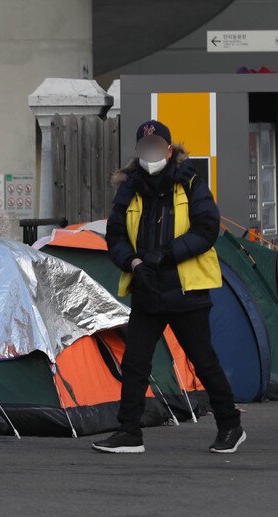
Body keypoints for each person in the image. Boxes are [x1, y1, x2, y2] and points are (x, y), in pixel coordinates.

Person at [95, 119, 244, 455]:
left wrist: (165, 255)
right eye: (145, 147)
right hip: (147, 287)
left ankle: (230, 425)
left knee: (203, 361)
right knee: (135, 363)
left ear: (169, 147)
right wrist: (133, 263)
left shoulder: (189, 182)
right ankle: (129, 432)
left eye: (157, 146)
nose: (151, 152)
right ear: (138, 152)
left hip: (186, 288)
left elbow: (207, 229)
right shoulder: (130, 187)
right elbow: (115, 236)